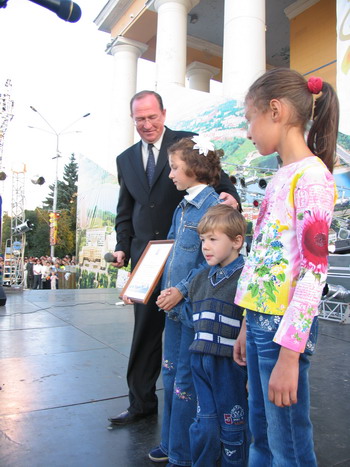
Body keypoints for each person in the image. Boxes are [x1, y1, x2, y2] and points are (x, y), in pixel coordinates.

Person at [109, 90, 241, 425]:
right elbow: (125, 209)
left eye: (152, 117)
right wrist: (123, 244)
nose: (147, 124)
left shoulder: (187, 144)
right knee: (145, 333)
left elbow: (218, 181)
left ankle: (191, 414)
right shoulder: (125, 159)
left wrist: (232, 197)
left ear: (164, 114)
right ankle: (141, 403)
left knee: (185, 337)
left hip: (190, 258)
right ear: (133, 120)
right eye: (140, 119)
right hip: (147, 260)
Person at [233, 68, 339, 466]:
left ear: (274, 110)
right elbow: (262, 258)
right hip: (261, 324)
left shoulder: (312, 178)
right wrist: (246, 322)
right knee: (261, 438)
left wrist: (290, 356)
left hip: (283, 334)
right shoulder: (281, 176)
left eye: (249, 118)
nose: (247, 132)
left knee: (288, 446)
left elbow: (314, 272)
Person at [148, 137, 226, 466]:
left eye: (175, 167)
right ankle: (170, 442)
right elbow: (167, 251)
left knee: (185, 382)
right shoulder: (184, 206)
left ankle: (182, 452)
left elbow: (209, 262)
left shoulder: (211, 208)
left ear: (194, 168)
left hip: (193, 311)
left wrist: (179, 289)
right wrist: (145, 282)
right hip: (173, 310)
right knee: (170, 375)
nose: (170, 175)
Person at [178, 204, 248, 467]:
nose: (205, 246)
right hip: (200, 362)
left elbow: (250, 321)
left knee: (233, 426)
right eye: (202, 240)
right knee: (204, 424)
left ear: (236, 241)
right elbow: (189, 315)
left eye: (213, 239)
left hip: (230, 366)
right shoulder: (199, 279)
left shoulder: (247, 278)